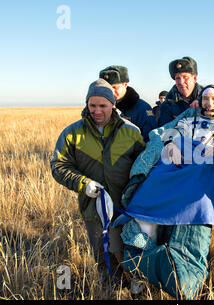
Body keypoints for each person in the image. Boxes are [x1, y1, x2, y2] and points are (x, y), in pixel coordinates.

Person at [113, 85, 214, 299]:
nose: (210, 102)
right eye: (205, 98)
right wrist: (171, 144)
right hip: (177, 173)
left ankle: (183, 278)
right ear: (200, 101)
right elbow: (172, 132)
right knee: (146, 209)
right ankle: (142, 267)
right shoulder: (188, 121)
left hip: (204, 182)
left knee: (192, 225)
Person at [50, 79, 146, 283]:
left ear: (113, 104)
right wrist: (83, 183)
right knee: (102, 255)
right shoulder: (72, 133)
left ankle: (135, 286)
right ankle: (110, 289)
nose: (97, 110)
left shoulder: (131, 132)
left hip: (125, 208)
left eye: (102, 105)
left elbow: (143, 167)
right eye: (92, 105)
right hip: (93, 208)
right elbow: (58, 166)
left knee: (126, 251)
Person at [99, 66, 157, 142]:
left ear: (125, 84)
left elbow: (150, 139)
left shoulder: (143, 108)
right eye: (107, 88)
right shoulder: (99, 108)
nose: (111, 92)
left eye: (114, 87)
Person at [157, 56, 204, 126]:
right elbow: (164, 132)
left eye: (185, 77)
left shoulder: (209, 99)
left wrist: (202, 102)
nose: (181, 82)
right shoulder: (167, 105)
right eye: (177, 78)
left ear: (194, 78)